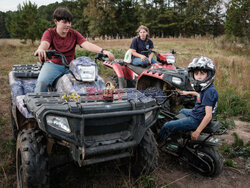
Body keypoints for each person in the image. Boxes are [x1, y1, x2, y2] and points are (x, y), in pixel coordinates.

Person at [34, 7, 114, 92]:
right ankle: (38, 102)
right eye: (64, 22)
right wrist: (41, 49)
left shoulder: (74, 34)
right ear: (56, 22)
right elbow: (45, 43)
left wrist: (103, 51)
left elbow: (86, 44)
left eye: (69, 22)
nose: (68, 25)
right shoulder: (49, 33)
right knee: (42, 83)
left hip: (71, 66)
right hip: (54, 65)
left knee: (94, 83)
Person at [159, 56, 218, 141]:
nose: (199, 77)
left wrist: (197, 132)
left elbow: (208, 116)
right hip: (197, 113)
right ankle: (181, 131)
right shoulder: (206, 88)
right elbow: (199, 95)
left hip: (197, 119)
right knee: (182, 111)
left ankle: (160, 142)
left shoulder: (209, 92)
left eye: (202, 74)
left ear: (209, 75)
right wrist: (186, 93)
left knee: (167, 125)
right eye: (196, 74)